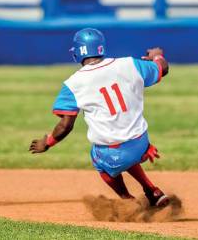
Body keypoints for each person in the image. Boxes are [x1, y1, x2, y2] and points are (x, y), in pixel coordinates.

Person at [29, 28, 170, 207]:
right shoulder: (129, 64)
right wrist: (157, 56)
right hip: (141, 143)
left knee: (102, 160)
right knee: (122, 154)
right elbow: (162, 68)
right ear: (101, 48)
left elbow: (65, 126)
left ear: (77, 53)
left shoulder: (73, 84)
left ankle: (128, 201)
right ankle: (153, 191)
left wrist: (47, 143)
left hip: (112, 152)